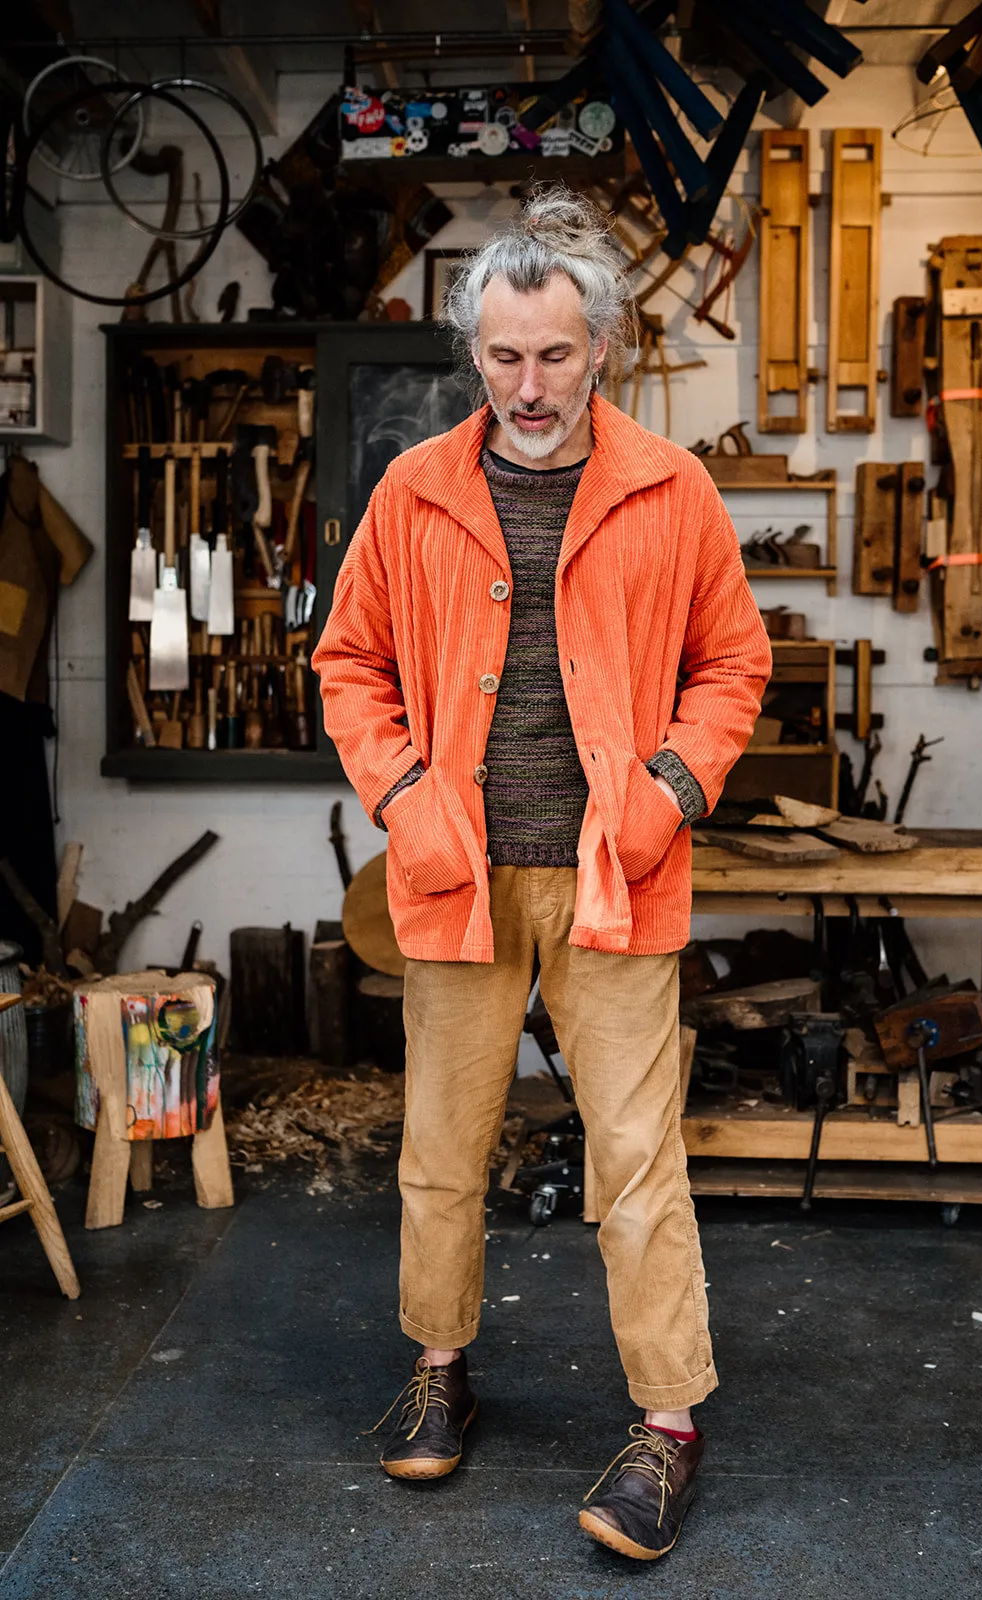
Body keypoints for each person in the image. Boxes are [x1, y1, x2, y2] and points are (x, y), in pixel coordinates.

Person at [312, 186, 771, 1562]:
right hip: (456, 882)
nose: (527, 384)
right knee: (442, 1158)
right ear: (473, 354)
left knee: (635, 1163)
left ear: (603, 349)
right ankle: (440, 1366)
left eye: (554, 354)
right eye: (503, 356)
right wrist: (403, 799)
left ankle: (665, 1428)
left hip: (612, 882)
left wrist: (667, 793)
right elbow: (349, 666)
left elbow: (731, 663)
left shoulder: (668, 488)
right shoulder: (413, 489)